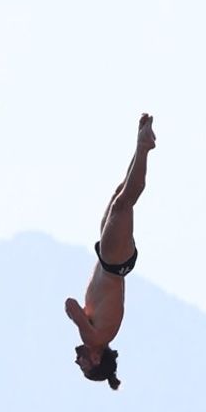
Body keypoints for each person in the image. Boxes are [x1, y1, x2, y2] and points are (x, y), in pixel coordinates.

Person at [65, 113, 155, 390]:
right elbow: (70, 306)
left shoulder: (101, 336)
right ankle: (144, 147)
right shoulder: (94, 339)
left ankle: (140, 145)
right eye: (84, 366)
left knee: (120, 196)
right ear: (96, 357)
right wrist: (80, 320)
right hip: (114, 262)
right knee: (124, 202)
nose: (77, 361)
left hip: (114, 261)